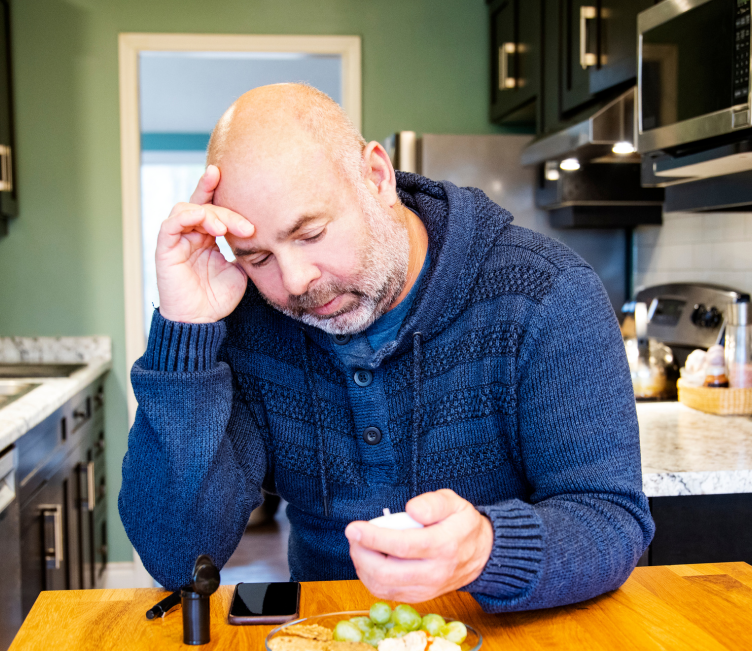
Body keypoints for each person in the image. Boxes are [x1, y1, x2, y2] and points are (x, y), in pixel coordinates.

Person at [119, 83, 653, 612]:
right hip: (330, 647)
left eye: (310, 235)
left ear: (376, 176)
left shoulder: (548, 294)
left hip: (510, 649)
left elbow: (611, 520)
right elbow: (177, 557)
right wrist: (183, 333)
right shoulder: (250, 323)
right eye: (258, 258)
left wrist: (486, 551)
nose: (297, 281)